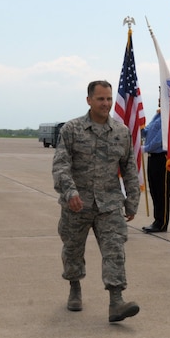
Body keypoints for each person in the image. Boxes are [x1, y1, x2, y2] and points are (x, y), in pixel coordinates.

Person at [52, 80, 140, 323]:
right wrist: (70, 193)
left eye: (109, 98)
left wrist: (132, 200)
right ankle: (74, 288)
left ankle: (116, 302)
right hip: (77, 205)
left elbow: (129, 169)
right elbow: (61, 165)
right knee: (72, 250)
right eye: (101, 99)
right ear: (89, 100)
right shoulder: (72, 129)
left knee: (115, 250)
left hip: (109, 204)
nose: (106, 103)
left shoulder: (121, 132)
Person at [141, 107, 170, 233]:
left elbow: (161, 139)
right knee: (154, 190)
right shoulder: (158, 115)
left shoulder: (168, 116)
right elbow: (147, 131)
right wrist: (139, 127)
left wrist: (146, 148)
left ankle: (162, 222)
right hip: (153, 157)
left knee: (162, 192)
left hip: (163, 158)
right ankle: (157, 220)